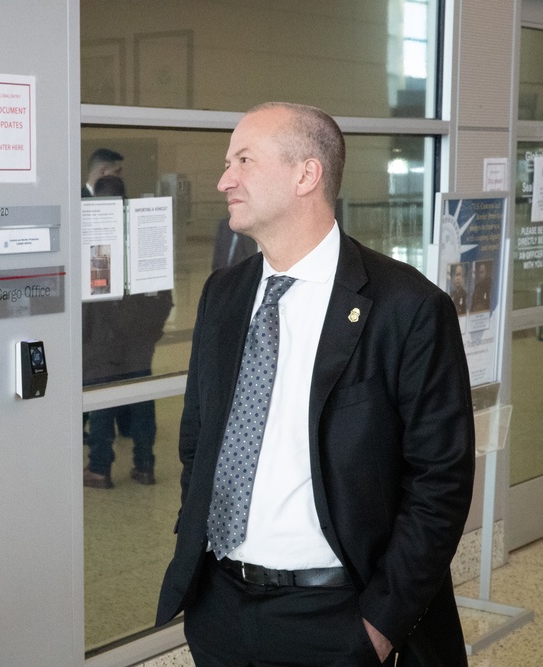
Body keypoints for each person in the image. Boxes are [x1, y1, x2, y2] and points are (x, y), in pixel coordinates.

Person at [156, 102, 474, 665]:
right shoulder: (223, 295)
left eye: (244, 160)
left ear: (307, 174)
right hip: (221, 608)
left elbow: (440, 482)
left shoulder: (407, 307)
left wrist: (378, 626)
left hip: (337, 619)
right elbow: (198, 438)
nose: (224, 179)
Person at [82, 175, 174, 488]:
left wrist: (89, 338)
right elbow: (164, 297)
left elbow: (95, 299)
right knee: (142, 400)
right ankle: (145, 465)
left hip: (102, 341)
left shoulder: (96, 241)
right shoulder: (145, 236)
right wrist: (151, 332)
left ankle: (99, 467)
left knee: (102, 401)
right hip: (139, 339)